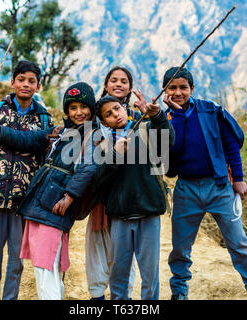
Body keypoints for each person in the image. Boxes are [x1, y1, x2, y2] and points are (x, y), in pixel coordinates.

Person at [0, 82, 99, 300]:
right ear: (67, 111)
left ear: (92, 108)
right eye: (73, 108)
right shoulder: (64, 132)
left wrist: (70, 196)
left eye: (84, 107)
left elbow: (89, 168)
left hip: (54, 208)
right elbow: (28, 139)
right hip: (42, 208)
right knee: (48, 272)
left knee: (46, 272)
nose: (79, 112)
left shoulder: (92, 135)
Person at [163, 66, 247, 300]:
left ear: (192, 88)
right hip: (186, 190)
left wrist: (238, 179)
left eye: (183, 87)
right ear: (165, 91)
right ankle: (179, 292)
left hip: (219, 186)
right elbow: (173, 151)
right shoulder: (165, 119)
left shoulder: (210, 111)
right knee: (180, 248)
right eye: (172, 87)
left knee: (238, 242)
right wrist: (177, 115)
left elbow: (231, 144)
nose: (178, 92)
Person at [0, 60, 53, 300]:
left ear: (38, 86)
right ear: (12, 82)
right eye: (21, 79)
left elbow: (46, 160)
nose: (26, 84)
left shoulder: (44, 119)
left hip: (23, 198)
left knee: (16, 257)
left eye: (31, 81)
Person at [92, 94, 175, 300]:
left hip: (149, 214)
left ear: (124, 107)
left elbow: (168, 143)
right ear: (104, 122)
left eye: (117, 109)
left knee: (150, 274)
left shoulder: (145, 128)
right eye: (108, 115)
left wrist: (157, 117)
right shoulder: (103, 144)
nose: (115, 115)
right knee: (119, 273)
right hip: (120, 218)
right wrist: (116, 155)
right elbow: (98, 181)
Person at [86, 66, 146, 300]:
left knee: (125, 250)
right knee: (97, 246)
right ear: (106, 84)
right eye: (113, 80)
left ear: (130, 87)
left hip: (128, 195)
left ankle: (123, 296)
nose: (119, 84)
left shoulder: (138, 119)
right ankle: (97, 295)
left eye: (124, 81)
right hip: (101, 193)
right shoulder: (93, 118)